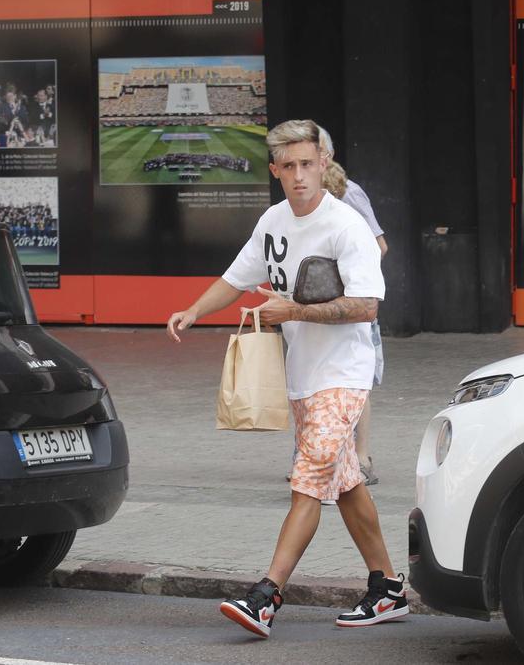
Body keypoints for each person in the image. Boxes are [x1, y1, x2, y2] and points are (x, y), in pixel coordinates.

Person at [166, 119, 406, 638]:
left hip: (343, 375)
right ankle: (387, 589)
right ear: (275, 171)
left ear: (324, 163)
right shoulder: (274, 220)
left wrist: (293, 310)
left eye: (307, 164)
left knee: (307, 483)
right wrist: (193, 310)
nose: (299, 175)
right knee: (345, 485)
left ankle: (266, 595)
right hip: (301, 375)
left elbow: (366, 305)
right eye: (289, 167)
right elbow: (235, 278)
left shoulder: (346, 226)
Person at [318, 126, 388, 486]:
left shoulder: (349, 193)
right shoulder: (298, 201)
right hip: (313, 310)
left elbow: (380, 246)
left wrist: (344, 272)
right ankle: (315, 456)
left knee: (357, 382)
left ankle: (361, 457)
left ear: (325, 156)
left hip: (351, 306)